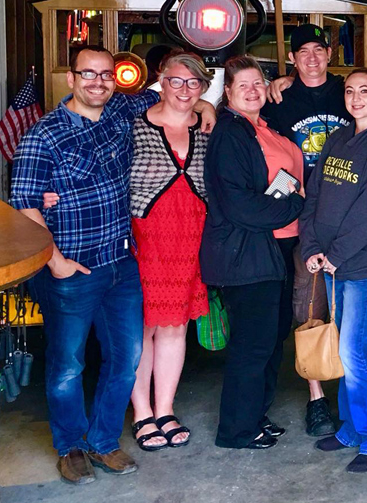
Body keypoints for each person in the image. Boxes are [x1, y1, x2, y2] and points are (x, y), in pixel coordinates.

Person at [10, 45, 214, 485]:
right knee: (68, 364)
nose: (97, 81)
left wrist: (205, 102)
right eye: (88, 74)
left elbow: (179, 93)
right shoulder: (43, 135)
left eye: (105, 74)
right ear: (71, 78)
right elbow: (25, 203)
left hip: (122, 260)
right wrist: (57, 262)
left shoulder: (123, 112)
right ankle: (70, 447)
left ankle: (104, 441)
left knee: (125, 357)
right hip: (74, 268)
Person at [300, 68, 367, 473]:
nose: (356, 97)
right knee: (345, 346)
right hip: (329, 260)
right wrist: (311, 246)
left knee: (351, 350)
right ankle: (350, 429)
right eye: (350, 91)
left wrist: (336, 255)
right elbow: (314, 195)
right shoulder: (340, 137)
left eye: (365, 91)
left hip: (360, 263)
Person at [201, 55, 305, 450]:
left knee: (271, 338)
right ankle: (236, 431)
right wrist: (297, 204)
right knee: (252, 344)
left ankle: (255, 416)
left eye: (257, 83)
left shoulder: (260, 128)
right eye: (241, 84)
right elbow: (240, 205)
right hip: (246, 254)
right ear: (227, 93)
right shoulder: (230, 133)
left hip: (273, 249)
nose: (251, 89)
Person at [262, 23, 350, 436]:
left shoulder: (349, 93)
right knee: (308, 307)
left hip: (350, 218)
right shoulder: (278, 100)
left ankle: (353, 393)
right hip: (303, 221)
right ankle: (317, 398)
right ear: (293, 59)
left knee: (352, 309)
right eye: (304, 51)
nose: (312, 57)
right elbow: (264, 148)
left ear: (329, 54)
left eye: (319, 49)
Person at [127, 52, 214, 451]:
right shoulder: (133, 123)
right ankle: (142, 412)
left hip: (191, 237)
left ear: (203, 88)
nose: (184, 90)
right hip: (145, 237)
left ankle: (165, 408)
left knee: (176, 326)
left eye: (193, 83)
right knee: (142, 326)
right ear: (160, 82)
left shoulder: (210, 128)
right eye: (176, 81)